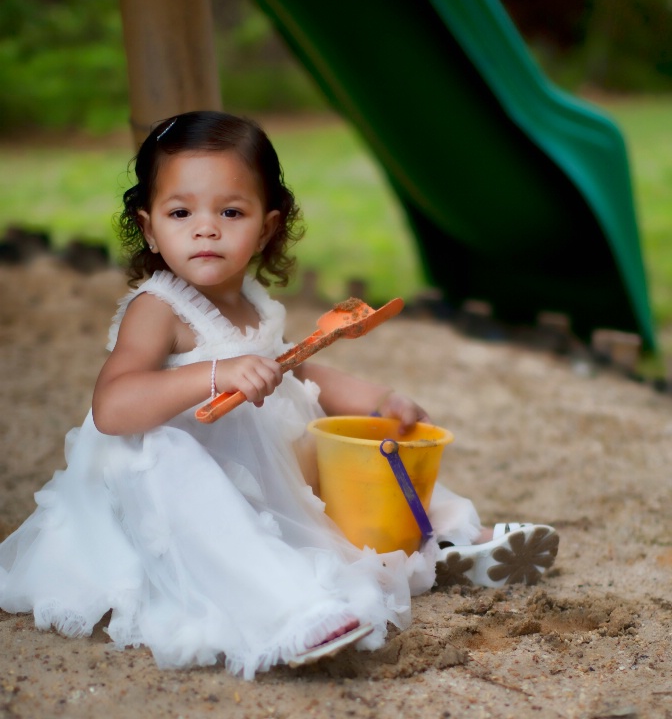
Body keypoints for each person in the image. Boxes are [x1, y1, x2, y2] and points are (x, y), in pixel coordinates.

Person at [0, 111, 558, 679]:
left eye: (231, 212)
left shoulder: (252, 300)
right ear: (148, 227)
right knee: (165, 453)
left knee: (357, 442)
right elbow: (113, 408)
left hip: (260, 468)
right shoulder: (158, 309)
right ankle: (288, 610)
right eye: (180, 212)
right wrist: (214, 373)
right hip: (179, 490)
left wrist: (376, 399)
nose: (206, 228)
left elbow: (296, 372)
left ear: (265, 230)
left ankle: (451, 533)